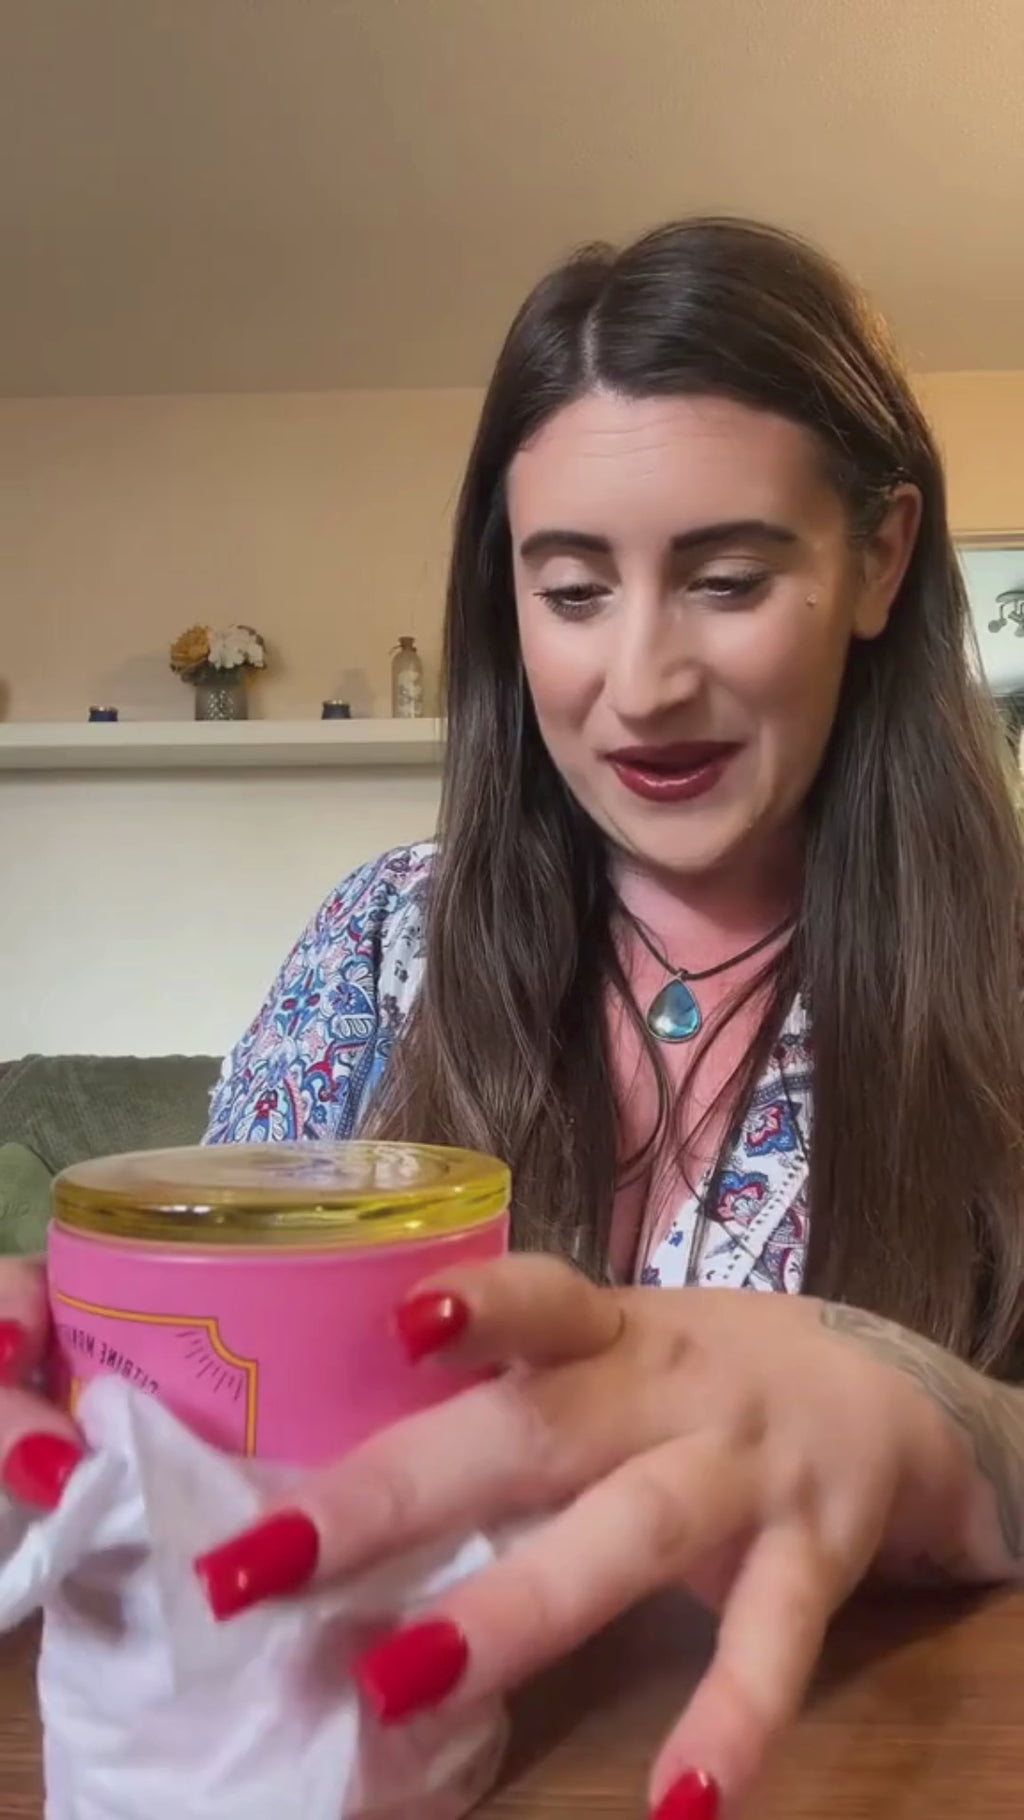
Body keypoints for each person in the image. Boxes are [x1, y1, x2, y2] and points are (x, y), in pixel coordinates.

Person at [4, 218, 1024, 1820]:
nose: (644, 680)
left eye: (729, 581)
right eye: (572, 590)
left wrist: (946, 1426)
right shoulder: (373, 953)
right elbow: (216, 1425)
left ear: (881, 561)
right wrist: (94, 1395)